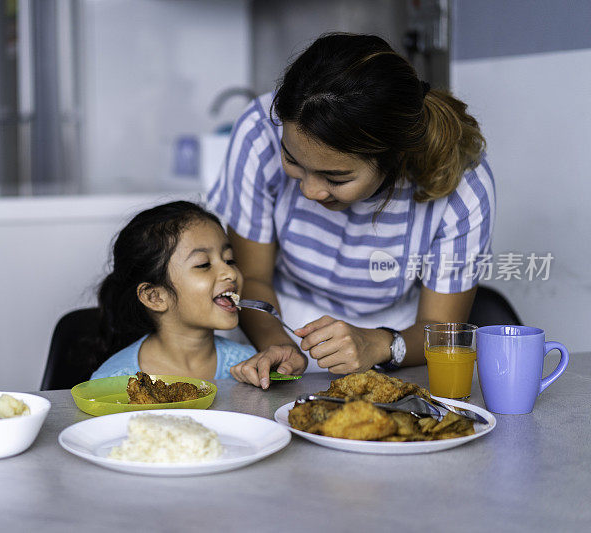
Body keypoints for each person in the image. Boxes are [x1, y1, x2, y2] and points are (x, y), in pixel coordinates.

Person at [207, 33, 495, 389]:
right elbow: (253, 278)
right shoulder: (259, 132)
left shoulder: (461, 184)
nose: (310, 191)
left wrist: (382, 344)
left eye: (335, 177)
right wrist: (279, 346)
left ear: (395, 158)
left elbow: (440, 328)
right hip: (277, 321)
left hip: (397, 340)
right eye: (292, 160)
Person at [90, 201, 255, 380]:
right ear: (155, 297)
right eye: (203, 264)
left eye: (230, 260)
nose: (230, 272)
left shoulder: (249, 366)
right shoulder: (113, 381)